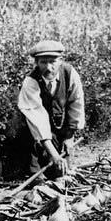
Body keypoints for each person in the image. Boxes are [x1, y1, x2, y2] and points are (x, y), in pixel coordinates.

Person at [16, 39, 85, 179]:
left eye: (52, 61)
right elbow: (38, 122)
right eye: (43, 62)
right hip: (32, 132)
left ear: (60, 60)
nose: (48, 67)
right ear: (36, 63)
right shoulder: (31, 82)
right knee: (35, 177)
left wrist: (69, 137)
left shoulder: (70, 74)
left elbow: (76, 105)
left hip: (57, 129)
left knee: (59, 173)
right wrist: (54, 154)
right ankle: (31, 171)